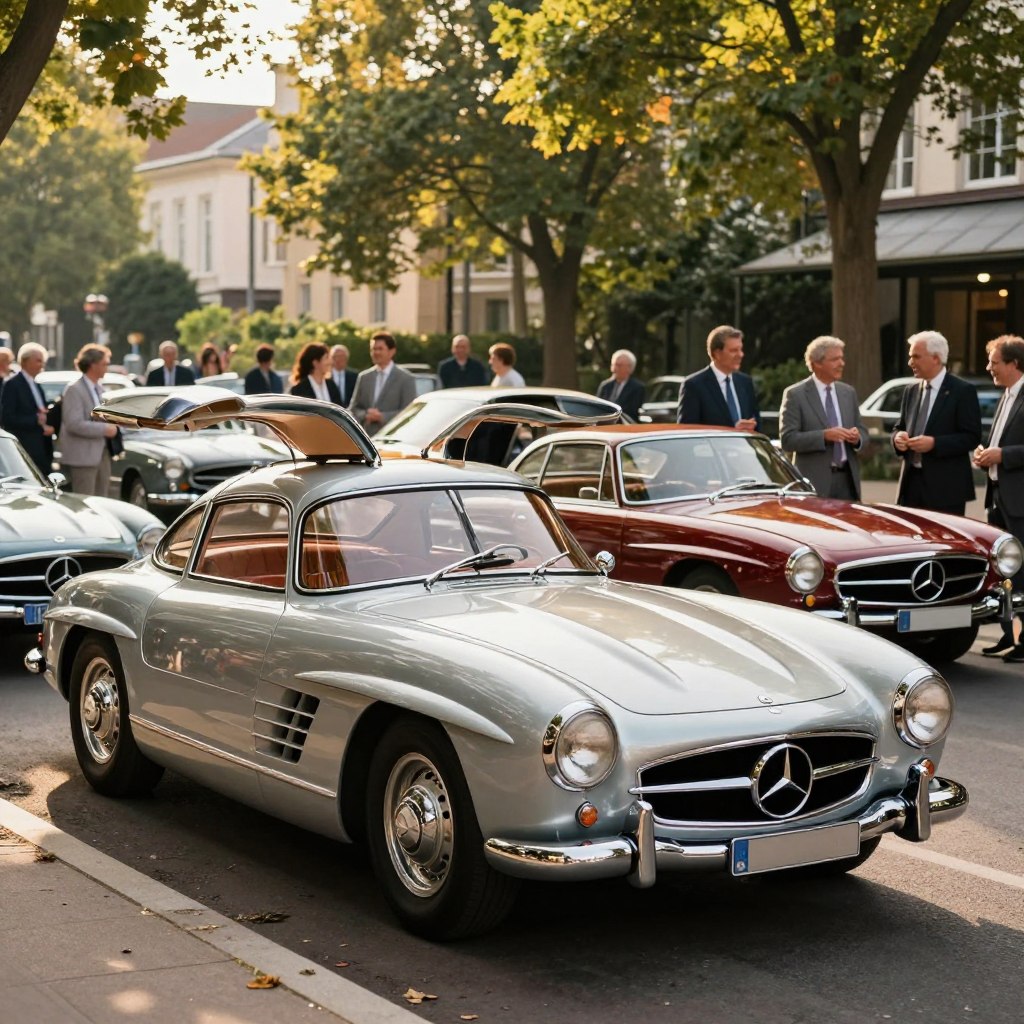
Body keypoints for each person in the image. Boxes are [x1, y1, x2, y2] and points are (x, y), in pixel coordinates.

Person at [973, 335, 1024, 661]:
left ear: (1013, 364)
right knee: (1003, 572)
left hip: (1019, 502)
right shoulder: (1005, 395)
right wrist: (984, 455)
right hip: (997, 498)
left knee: (1022, 571)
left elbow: (1010, 450)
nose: (989, 367)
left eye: (994, 362)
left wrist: (1003, 455)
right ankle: (1009, 634)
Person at [892, 330, 981, 516]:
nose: (910, 362)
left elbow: (971, 437)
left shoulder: (962, 391)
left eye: (916, 356)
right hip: (910, 486)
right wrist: (898, 438)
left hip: (946, 490)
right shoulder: (911, 391)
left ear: (936, 358)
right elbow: (900, 427)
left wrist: (934, 443)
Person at [779, 336, 868, 500]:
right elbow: (788, 440)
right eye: (835, 359)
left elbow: (862, 430)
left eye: (842, 358)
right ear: (816, 363)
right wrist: (824, 436)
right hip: (814, 483)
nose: (842, 363)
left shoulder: (848, 392)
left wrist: (857, 439)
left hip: (848, 482)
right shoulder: (795, 395)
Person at [59, 344, 122, 496]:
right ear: (93, 365)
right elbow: (73, 423)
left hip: (102, 454)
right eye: (104, 364)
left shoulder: (100, 388)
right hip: (83, 458)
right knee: (85, 502)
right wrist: (105, 429)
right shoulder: (74, 389)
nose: (107, 367)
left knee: (102, 502)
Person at [677, 325, 761, 431]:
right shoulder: (694, 386)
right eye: (734, 350)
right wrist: (732, 431)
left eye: (740, 349)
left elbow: (757, 423)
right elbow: (687, 431)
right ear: (717, 353)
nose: (741, 354)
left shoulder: (745, 382)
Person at [0, 342, 55, 476]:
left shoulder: (36, 384)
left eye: (43, 361)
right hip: (25, 450)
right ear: (25, 361)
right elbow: (7, 419)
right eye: (38, 361)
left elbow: (40, 411)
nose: (42, 364)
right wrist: (35, 420)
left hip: (41, 447)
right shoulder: (12, 384)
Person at [349, 331, 417, 435]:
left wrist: (382, 417)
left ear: (392, 351)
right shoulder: (364, 377)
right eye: (373, 349)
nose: (376, 352)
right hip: (366, 438)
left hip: (394, 437)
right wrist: (366, 414)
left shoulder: (406, 378)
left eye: (380, 349)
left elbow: (410, 411)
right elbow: (353, 408)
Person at [597, 349, 646, 421]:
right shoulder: (605, 386)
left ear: (629, 368)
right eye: (613, 365)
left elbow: (631, 412)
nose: (614, 369)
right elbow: (597, 407)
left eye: (619, 365)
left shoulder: (637, 388)